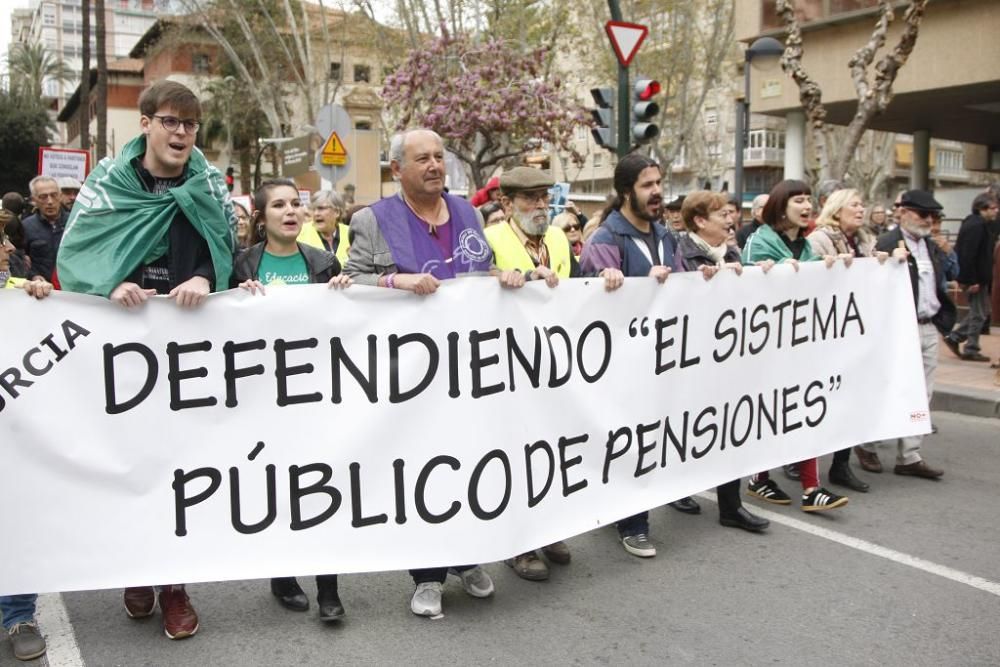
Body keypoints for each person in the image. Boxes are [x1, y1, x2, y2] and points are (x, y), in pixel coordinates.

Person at [56, 79, 235, 640]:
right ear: (147, 124)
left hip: (186, 349)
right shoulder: (108, 182)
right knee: (132, 467)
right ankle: (136, 571)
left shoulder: (207, 181)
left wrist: (206, 276)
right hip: (123, 351)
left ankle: (176, 587)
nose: (181, 133)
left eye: (189, 124)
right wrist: (110, 286)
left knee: (181, 470)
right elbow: (78, 251)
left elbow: (222, 245)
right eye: (170, 122)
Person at [345, 128, 503, 617]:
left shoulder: (467, 212)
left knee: (470, 464)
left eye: (440, 157)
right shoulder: (373, 220)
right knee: (423, 469)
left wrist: (508, 278)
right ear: (397, 170)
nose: (435, 166)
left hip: (468, 370)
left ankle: (467, 557)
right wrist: (395, 279)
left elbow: (485, 270)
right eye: (423, 159)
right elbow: (351, 282)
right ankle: (428, 575)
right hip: (409, 374)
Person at [485, 166, 624, 579]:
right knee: (515, 455)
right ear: (507, 204)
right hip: (507, 366)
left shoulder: (559, 238)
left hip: (555, 365)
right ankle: (518, 544)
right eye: (530, 199)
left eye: (545, 197)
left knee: (552, 451)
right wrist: (502, 277)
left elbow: (577, 284)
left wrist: (603, 277)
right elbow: (470, 282)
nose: (541, 206)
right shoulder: (490, 239)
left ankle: (549, 530)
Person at [231, 179, 351, 621]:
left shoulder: (323, 262)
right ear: (261, 218)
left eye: (295, 204)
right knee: (278, 490)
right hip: (263, 400)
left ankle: (329, 590)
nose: (290, 211)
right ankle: (282, 577)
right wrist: (234, 300)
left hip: (316, 396)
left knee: (325, 488)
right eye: (278, 205)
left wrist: (344, 293)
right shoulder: (241, 265)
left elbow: (343, 326)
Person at [580, 153, 682, 557]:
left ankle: (623, 509)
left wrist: (699, 278)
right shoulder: (606, 241)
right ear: (626, 193)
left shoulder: (666, 235)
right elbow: (590, 307)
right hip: (619, 364)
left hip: (659, 357)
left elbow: (680, 292)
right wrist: (630, 282)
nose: (656, 192)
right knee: (627, 440)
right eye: (647, 185)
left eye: (658, 183)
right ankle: (633, 523)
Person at [742, 179, 849, 512]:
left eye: (808, 200)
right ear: (780, 206)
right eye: (798, 200)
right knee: (771, 413)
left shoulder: (806, 249)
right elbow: (741, 295)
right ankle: (759, 477)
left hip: (800, 346)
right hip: (766, 350)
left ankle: (811, 487)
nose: (807, 206)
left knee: (804, 410)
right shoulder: (760, 243)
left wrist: (834, 270)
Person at [677, 191, 771, 532]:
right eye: (722, 215)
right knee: (687, 428)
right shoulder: (680, 254)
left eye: (731, 214)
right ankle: (676, 488)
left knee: (730, 426)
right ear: (700, 221)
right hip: (688, 361)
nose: (731, 221)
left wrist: (767, 275)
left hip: (726, 356)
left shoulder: (731, 252)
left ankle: (731, 505)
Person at [854, 190, 952, 480]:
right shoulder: (886, 243)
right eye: (923, 215)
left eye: (933, 216)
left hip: (927, 326)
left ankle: (910, 454)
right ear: (905, 213)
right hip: (898, 329)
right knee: (888, 386)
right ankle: (867, 444)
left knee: (922, 393)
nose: (928, 221)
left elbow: (940, 282)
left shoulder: (930, 246)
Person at [1, 212, 55, 662]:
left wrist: (44, 297)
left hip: (11, 439)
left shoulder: (20, 294)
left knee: (12, 520)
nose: (6, 251)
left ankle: (18, 614)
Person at [806, 189, 883, 492]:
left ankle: (841, 464)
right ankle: (798, 457)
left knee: (851, 398)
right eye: (855, 204)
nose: (861, 209)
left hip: (856, 329)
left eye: (863, 204)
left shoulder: (865, 239)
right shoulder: (820, 239)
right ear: (837, 210)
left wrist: (885, 263)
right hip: (826, 332)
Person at [943, 193, 999, 362]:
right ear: (982, 209)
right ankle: (965, 343)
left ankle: (961, 340)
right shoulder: (976, 226)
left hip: (978, 277)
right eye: (993, 208)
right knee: (979, 314)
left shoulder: (980, 224)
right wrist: (971, 279)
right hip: (975, 278)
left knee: (979, 312)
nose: (996, 211)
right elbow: (968, 254)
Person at [22, 176, 69, 282]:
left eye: (54, 195)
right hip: (40, 291)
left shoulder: (74, 222)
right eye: (43, 197)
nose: (50, 201)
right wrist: (32, 276)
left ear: (60, 196)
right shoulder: (26, 226)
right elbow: (18, 261)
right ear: (34, 200)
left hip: (71, 289)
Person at [298, 190, 350, 264]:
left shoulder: (351, 233)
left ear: (337, 212)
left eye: (321, 208)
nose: (316, 213)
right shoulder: (300, 233)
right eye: (313, 209)